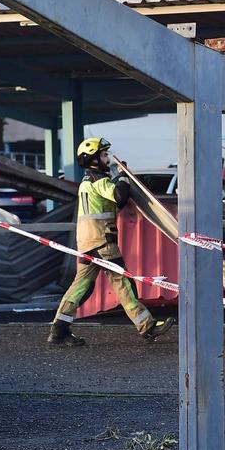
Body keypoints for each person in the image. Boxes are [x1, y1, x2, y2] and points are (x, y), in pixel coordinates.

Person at [46, 137, 174, 346]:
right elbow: (119, 195)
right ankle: (147, 327)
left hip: (88, 243)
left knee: (81, 287)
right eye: (104, 155)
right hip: (102, 242)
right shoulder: (98, 180)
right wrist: (124, 176)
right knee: (124, 283)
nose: (107, 158)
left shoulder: (87, 182)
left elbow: (113, 205)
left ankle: (58, 330)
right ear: (93, 159)